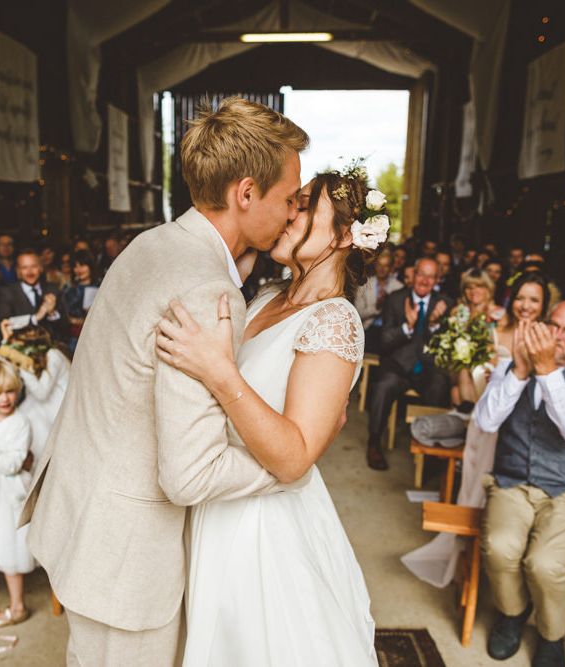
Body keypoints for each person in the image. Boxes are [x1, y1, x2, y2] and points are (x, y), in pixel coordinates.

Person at [19, 96, 309, 666]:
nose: (295, 211)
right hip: (127, 558)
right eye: (289, 197)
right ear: (245, 193)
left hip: (86, 520)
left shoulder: (154, 243)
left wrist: (233, 274)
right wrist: (289, 466)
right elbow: (190, 474)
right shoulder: (207, 289)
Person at [156, 169, 378, 665]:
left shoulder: (334, 320)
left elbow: (295, 458)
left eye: (304, 207)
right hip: (217, 496)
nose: (289, 213)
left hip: (263, 529)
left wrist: (219, 372)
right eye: (292, 203)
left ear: (345, 236)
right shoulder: (265, 297)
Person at [475, 301, 565, 666]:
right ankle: (513, 612)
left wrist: (547, 372)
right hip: (512, 482)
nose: (558, 335)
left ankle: (552, 635)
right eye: (553, 325)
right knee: (500, 547)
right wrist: (520, 372)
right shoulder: (511, 364)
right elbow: (486, 423)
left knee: (545, 563)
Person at [366, 258, 452, 470]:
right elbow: (385, 340)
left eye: (430, 276)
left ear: (437, 280)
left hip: (427, 370)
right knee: (383, 386)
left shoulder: (444, 304)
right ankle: (374, 442)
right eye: (421, 274)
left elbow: (447, 345)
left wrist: (433, 325)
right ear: (413, 276)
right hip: (398, 367)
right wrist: (407, 327)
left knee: (441, 384)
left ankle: (431, 451)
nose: (424, 280)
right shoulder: (396, 299)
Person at [0, 323, 70, 461]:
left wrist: (22, 367)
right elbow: (2, 368)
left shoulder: (53, 355)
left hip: (60, 406)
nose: (16, 352)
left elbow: (41, 393)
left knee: (29, 416)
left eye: (18, 347)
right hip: (43, 403)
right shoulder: (35, 358)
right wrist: (5, 342)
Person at [0, 358, 34, 628]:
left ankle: (18, 606)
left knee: (8, 548)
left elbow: (12, 463)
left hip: (8, 496)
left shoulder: (20, 423)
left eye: (9, 391)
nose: (5, 398)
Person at [449, 269, 501, 411]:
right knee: (459, 377)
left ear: (488, 289)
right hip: (460, 365)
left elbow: (499, 347)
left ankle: (469, 411)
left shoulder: (498, 314)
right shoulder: (458, 313)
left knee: (458, 387)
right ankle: (469, 416)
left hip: (491, 364)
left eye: (479, 286)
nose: (474, 291)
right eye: (469, 287)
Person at [0, 249, 68, 343]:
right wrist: (37, 316)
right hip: (20, 349)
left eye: (34, 266)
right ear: (18, 271)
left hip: (51, 347)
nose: (29, 271)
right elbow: (5, 323)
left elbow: (65, 325)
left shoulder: (53, 290)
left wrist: (52, 312)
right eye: (24, 267)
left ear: (41, 268)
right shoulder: (7, 292)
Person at [354, 252, 402, 353]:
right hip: (367, 330)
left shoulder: (399, 287)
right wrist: (376, 307)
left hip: (389, 332)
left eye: (386, 266)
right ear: (375, 265)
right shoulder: (364, 285)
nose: (382, 269)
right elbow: (357, 313)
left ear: (391, 267)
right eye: (379, 265)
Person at [494, 272, 549, 354]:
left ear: (543, 305)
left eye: (534, 300)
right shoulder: (495, 335)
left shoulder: (548, 342)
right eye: (519, 298)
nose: (525, 306)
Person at [62, 250, 100, 354]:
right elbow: (64, 314)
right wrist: (74, 320)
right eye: (75, 266)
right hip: (75, 338)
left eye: (82, 265)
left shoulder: (100, 288)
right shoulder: (69, 290)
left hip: (96, 337)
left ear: (90, 266)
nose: (79, 270)